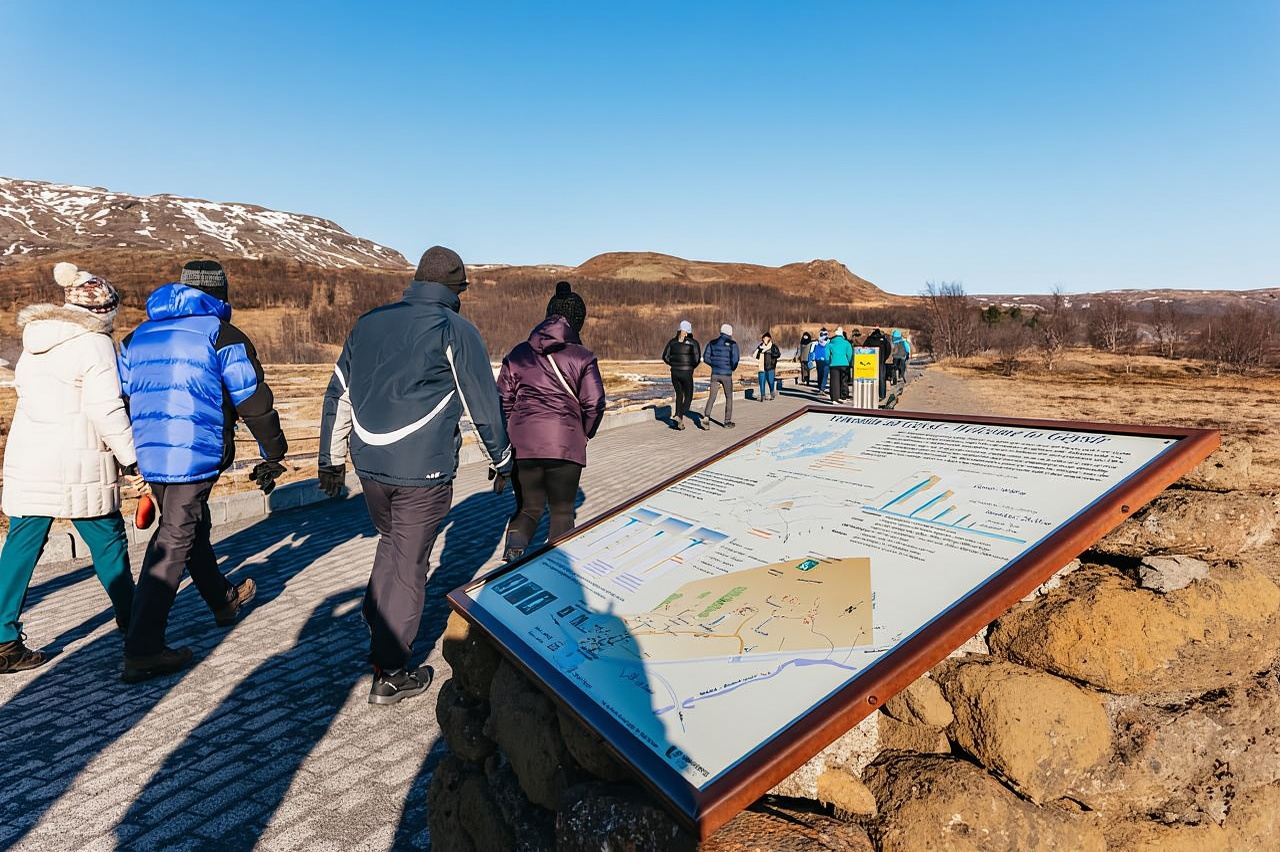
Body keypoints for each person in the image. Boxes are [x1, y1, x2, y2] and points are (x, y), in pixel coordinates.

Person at [317, 246, 513, 705]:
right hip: (422, 468)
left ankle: (376, 615)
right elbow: (482, 403)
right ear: (456, 288)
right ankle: (391, 672)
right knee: (409, 564)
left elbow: (338, 394)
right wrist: (502, 460)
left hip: (370, 466)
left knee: (392, 543)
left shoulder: (369, 323)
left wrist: (330, 461)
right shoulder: (455, 329)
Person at [116, 260, 286, 683]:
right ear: (220, 293)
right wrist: (273, 451)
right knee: (174, 538)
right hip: (196, 454)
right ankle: (143, 648)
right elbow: (252, 400)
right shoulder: (221, 333)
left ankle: (223, 601)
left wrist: (128, 456)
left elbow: (122, 398)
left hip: (151, 454)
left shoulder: (137, 336)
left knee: (190, 528)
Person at [0, 263, 138, 673]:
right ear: (105, 311)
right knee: (108, 539)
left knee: (22, 544)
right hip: (78, 460)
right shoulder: (94, 344)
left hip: (30, 456)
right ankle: (134, 621)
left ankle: (3, 638)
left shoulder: (35, 342)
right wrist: (131, 456)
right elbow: (105, 408)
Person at [498, 315, 606, 562]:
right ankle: (555, 568)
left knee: (528, 508)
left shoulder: (517, 354)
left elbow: (503, 399)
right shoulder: (582, 356)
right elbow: (595, 402)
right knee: (562, 511)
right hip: (565, 443)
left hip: (522, 446)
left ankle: (512, 556)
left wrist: (508, 435)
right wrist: (585, 432)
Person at [661, 320, 701, 430]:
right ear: (689, 331)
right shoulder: (693, 343)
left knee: (679, 395)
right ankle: (679, 415)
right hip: (687, 372)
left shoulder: (672, 342)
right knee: (688, 396)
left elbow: (665, 357)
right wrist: (690, 366)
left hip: (675, 372)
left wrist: (673, 364)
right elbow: (697, 359)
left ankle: (679, 421)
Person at [702, 324, 739, 428]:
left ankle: (706, 416)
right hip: (726, 375)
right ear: (730, 332)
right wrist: (731, 367)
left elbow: (706, 357)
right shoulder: (733, 344)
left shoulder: (712, 343)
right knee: (729, 397)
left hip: (715, 374)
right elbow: (735, 359)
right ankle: (727, 421)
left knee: (712, 396)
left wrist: (714, 365)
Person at [826, 326, 854, 403]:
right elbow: (850, 354)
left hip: (833, 364)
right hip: (844, 364)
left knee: (834, 382)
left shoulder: (830, 343)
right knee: (844, 380)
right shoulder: (847, 343)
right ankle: (843, 396)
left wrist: (829, 361)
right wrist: (847, 362)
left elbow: (826, 355)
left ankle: (834, 399)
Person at [865, 327, 892, 401]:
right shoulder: (884, 340)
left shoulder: (869, 339)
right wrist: (884, 358)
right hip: (881, 361)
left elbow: (864, 349)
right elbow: (888, 350)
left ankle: (870, 394)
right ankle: (882, 395)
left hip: (871, 362)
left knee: (871, 379)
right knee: (881, 378)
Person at [753, 332, 781, 401]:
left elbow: (778, 354)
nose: (765, 339)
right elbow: (755, 356)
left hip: (770, 367)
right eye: (764, 338)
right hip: (761, 367)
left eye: (767, 337)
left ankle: (772, 393)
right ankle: (762, 396)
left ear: (769, 338)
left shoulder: (773, 346)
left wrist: (771, 353)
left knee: (771, 382)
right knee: (761, 382)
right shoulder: (760, 347)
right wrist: (759, 351)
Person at [811, 328, 831, 394]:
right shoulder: (829, 342)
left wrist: (811, 359)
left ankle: (820, 388)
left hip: (819, 359)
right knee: (824, 374)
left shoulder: (816, 342)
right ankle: (822, 388)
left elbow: (812, 351)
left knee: (820, 374)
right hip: (826, 359)